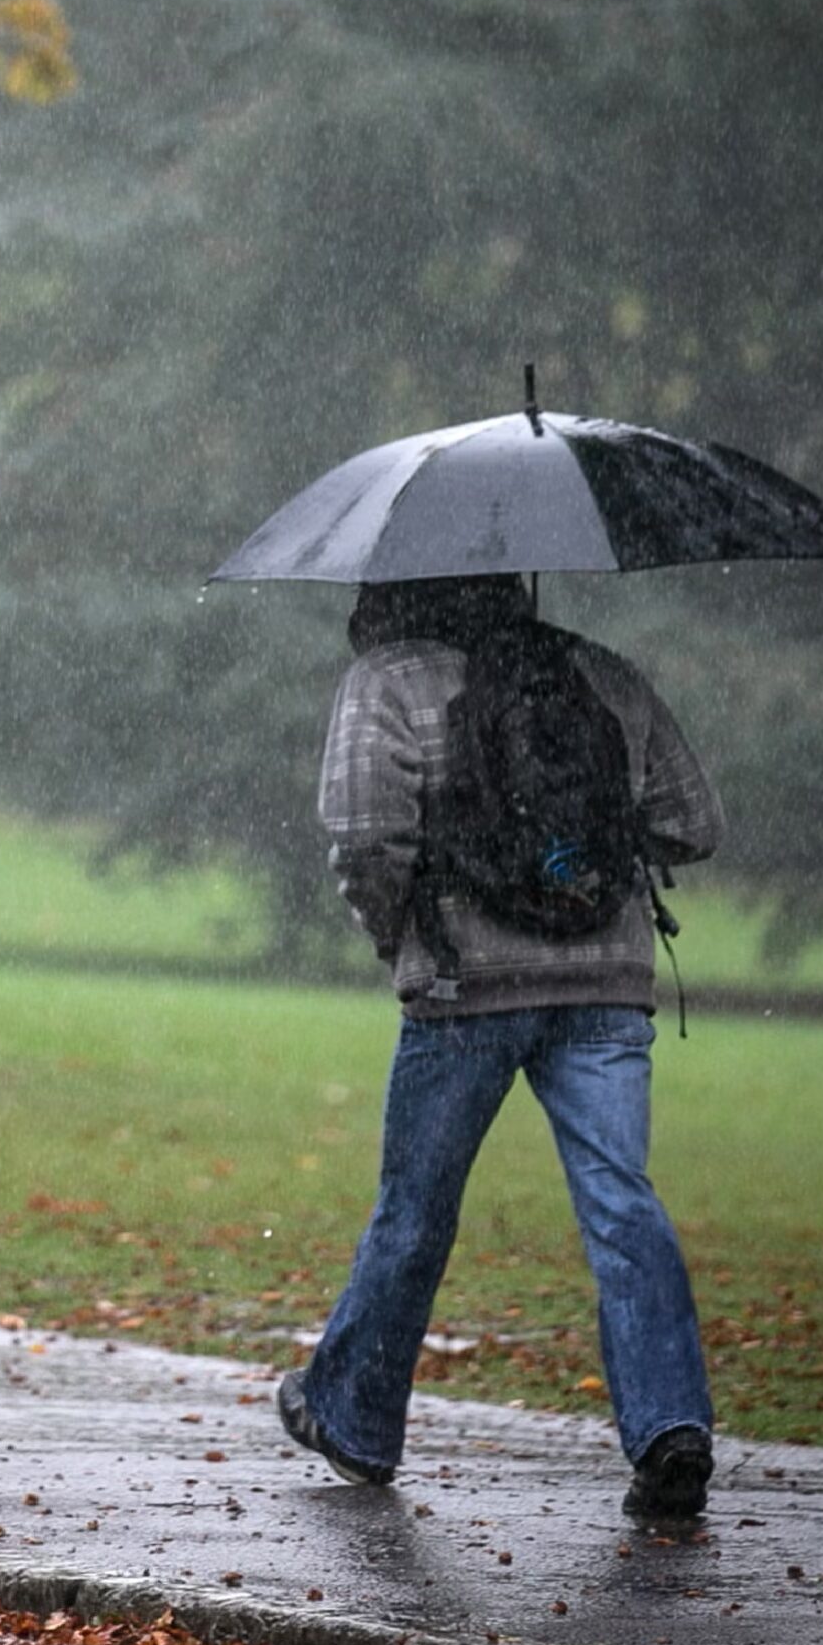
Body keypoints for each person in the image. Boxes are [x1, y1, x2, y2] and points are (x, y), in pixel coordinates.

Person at [276, 572, 724, 1520]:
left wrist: (405, 927)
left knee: (417, 1209)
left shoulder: (389, 683)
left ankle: (353, 1421)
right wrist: (580, 854)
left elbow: (363, 834)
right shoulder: (602, 674)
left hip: (462, 984)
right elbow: (694, 824)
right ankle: (671, 1426)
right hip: (605, 985)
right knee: (619, 1200)